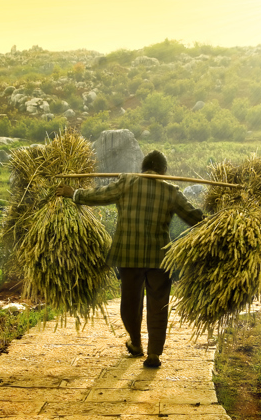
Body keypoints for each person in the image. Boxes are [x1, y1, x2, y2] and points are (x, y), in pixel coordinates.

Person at [57, 151, 203, 368]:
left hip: (128, 256)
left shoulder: (126, 182)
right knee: (158, 305)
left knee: (130, 303)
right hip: (159, 258)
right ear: (163, 171)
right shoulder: (171, 191)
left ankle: (136, 343)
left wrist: (74, 194)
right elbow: (195, 218)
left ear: (142, 169)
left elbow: (99, 195)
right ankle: (154, 353)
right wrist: (223, 220)